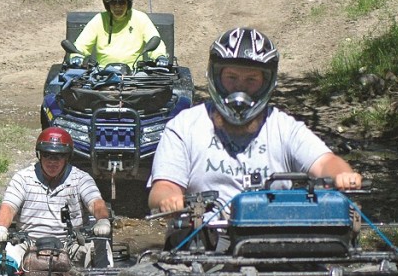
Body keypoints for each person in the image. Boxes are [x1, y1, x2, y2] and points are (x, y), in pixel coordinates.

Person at [148, 27, 362, 214]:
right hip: (202, 242)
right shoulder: (184, 126)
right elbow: (164, 186)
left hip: (272, 239)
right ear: (216, 78)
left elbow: (325, 162)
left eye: (251, 79)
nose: (240, 87)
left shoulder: (282, 127)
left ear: (266, 83)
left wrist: (342, 175)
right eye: (231, 77)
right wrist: (170, 199)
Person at [0, 127, 112, 267]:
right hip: (29, 242)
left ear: (67, 157)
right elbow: (9, 207)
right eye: (47, 155)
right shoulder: (22, 178)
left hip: (71, 243)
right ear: (39, 155)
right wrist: (1, 228)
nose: (52, 162)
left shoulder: (81, 179)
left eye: (58, 156)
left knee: (100, 246)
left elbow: (95, 203)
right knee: (9, 253)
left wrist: (102, 220)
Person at [71, 0, 169, 69]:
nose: (118, 7)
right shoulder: (99, 20)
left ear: (128, 3)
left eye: (122, 2)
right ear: (107, 4)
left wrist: (160, 56)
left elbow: (155, 40)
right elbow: (81, 44)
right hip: (103, 73)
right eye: (113, 3)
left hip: (135, 74)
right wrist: (77, 56)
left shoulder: (140, 18)